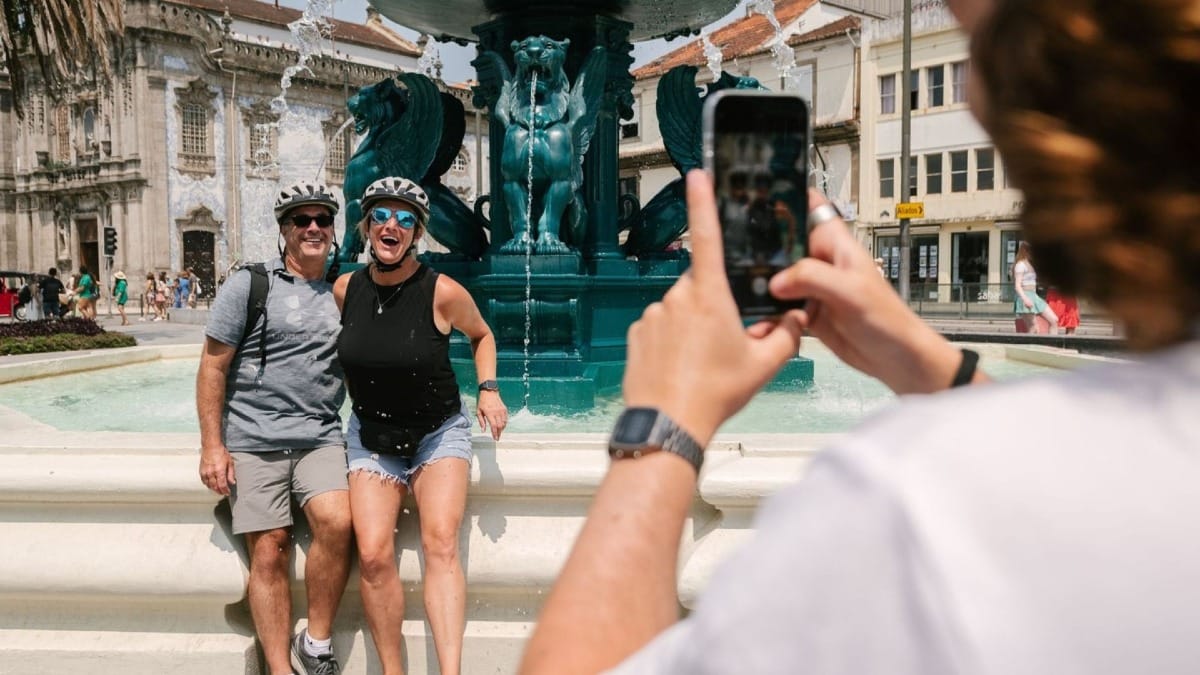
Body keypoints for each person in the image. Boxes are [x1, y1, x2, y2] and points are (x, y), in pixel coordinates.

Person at [521, 1, 1200, 672]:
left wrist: (661, 422)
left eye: (974, 42)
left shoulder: (915, 503)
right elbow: (1082, 482)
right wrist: (937, 367)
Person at [333, 177, 507, 675]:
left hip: (437, 431)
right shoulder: (347, 289)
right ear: (367, 227)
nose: (393, 225)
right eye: (382, 216)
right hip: (372, 435)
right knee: (371, 556)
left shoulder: (442, 291)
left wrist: (489, 389)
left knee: (440, 543)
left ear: (417, 232)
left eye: (406, 219)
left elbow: (483, 335)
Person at [196, 181, 352, 675]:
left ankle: (316, 642)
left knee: (338, 521)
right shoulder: (250, 284)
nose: (312, 228)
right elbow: (212, 367)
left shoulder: (345, 290)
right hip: (253, 439)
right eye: (300, 220)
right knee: (270, 548)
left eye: (322, 220)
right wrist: (212, 446)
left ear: (333, 230)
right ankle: (279, 669)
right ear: (283, 230)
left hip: (320, 435)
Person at [1012, 240, 1057, 334]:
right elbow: (1017, 286)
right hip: (1025, 296)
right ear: (1027, 250)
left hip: (1034, 296)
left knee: (1054, 320)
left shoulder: (1031, 264)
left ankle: (1052, 347)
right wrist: (1025, 299)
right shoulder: (1020, 265)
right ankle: (1029, 347)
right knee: (1033, 328)